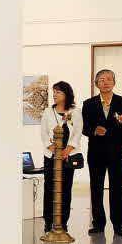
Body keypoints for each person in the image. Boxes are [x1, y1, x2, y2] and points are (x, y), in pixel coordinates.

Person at [81, 69, 122, 237]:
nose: (105, 82)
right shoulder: (89, 104)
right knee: (96, 188)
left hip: (117, 151)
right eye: (102, 79)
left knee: (117, 188)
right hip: (96, 152)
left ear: (114, 82)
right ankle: (98, 223)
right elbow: (83, 127)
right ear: (96, 84)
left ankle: (119, 225)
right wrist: (94, 130)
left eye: (109, 79)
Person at [39, 81, 82, 233]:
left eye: (58, 92)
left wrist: (66, 151)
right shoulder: (47, 112)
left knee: (65, 189)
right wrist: (52, 149)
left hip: (67, 157)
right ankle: (48, 221)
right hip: (51, 156)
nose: (55, 95)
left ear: (66, 94)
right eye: (54, 92)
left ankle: (63, 222)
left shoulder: (75, 112)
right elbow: (44, 133)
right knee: (49, 189)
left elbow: (77, 134)